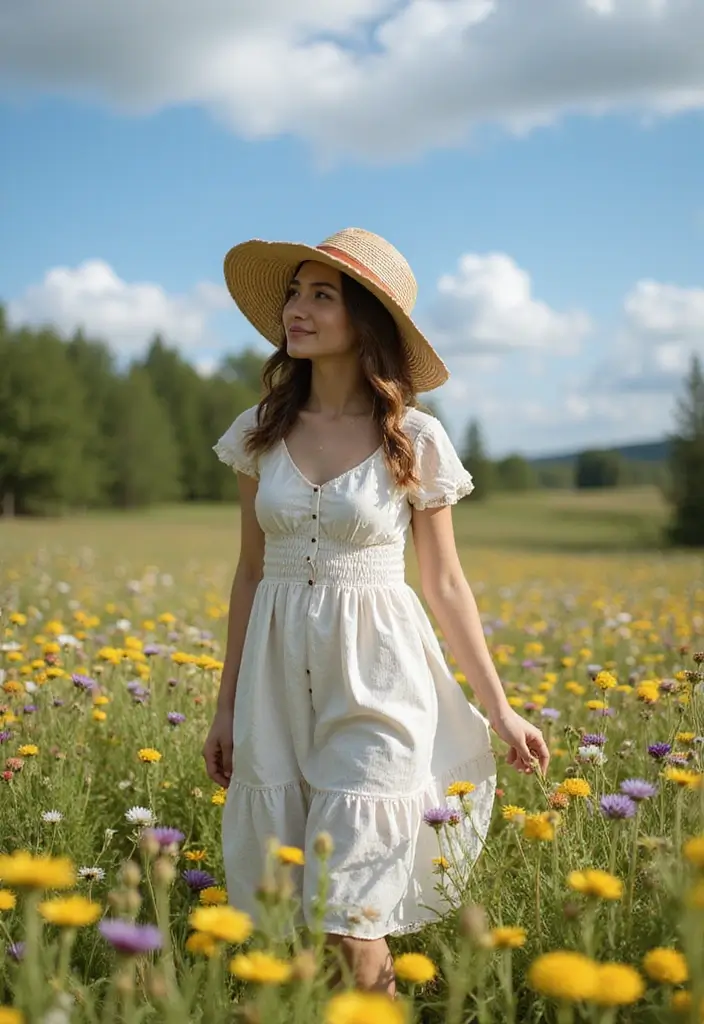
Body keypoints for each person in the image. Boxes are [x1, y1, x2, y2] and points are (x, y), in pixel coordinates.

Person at [203, 227, 549, 994]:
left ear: (365, 320)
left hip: (381, 677)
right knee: (303, 914)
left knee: (351, 914)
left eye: (322, 295)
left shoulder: (415, 438)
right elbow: (250, 573)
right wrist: (225, 708)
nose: (297, 309)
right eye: (295, 292)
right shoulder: (259, 433)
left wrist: (500, 708)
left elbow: (446, 582)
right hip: (275, 685)